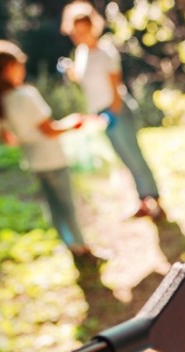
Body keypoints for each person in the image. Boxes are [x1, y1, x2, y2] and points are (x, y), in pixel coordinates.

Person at [0, 40, 96, 261]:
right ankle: (82, 248)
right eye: (19, 66)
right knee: (68, 206)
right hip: (52, 158)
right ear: (9, 68)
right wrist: (73, 122)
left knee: (55, 207)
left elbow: (9, 139)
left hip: (33, 161)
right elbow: (50, 130)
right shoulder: (26, 96)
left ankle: (70, 245)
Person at [59, 1, 165, 221]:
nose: (79, 36)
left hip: (116, 111)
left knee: (135, 156)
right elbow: (83, 79)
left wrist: (112, 113)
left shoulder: (105, 51)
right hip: (101, 115)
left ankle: (155, 201)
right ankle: (142, 200)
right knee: (124, 159)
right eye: (75, 33)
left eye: (82, 31)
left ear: (92, 27)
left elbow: (115, 87)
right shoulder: (81, 53)